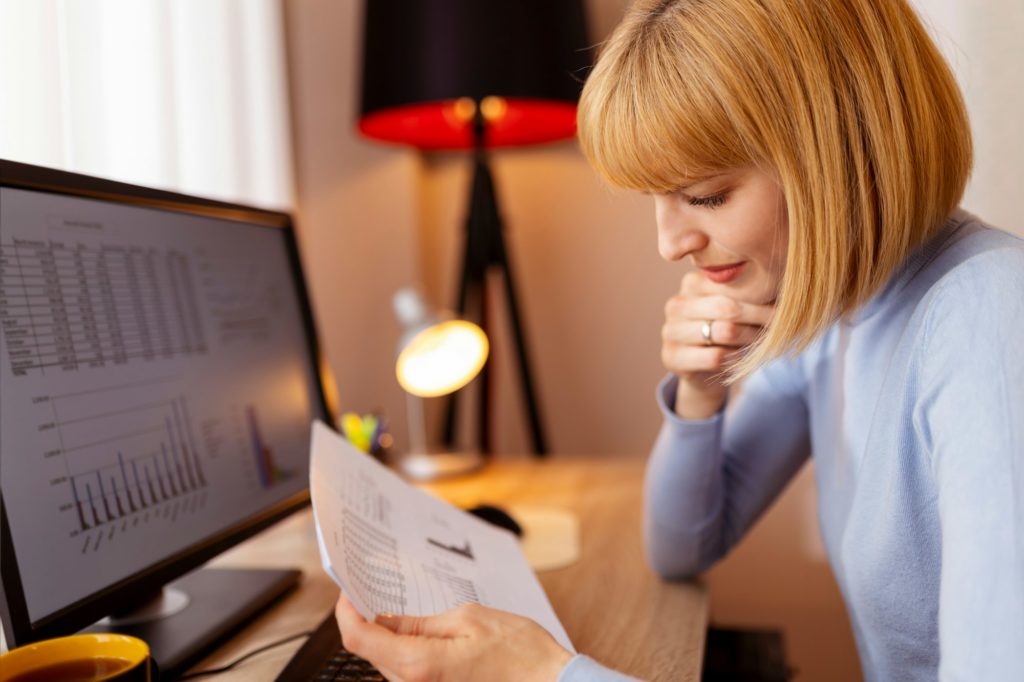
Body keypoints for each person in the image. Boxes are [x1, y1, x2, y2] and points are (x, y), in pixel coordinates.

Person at [335, 0, 1024, 679]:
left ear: (843, 154)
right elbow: (681, 546)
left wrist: (541, 675)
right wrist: (700, 393)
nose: (671, 244)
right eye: (656, 199)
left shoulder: (988, 320)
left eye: (705, 196)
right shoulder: (835, 310)